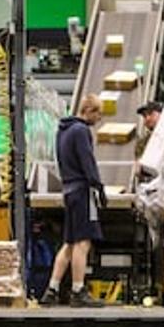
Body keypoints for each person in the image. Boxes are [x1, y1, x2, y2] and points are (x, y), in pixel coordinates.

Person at [40, 93, 107, 307]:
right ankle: (78, 290)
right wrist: (98, 186)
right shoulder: (81, 131)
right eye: (99, 114)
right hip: (82, 190)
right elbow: (87, 161)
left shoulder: (63, 130)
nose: (99, 120)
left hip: (68, 189)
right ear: (89, 111)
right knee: (83, 242)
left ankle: (52, 289)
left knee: (69, 243)